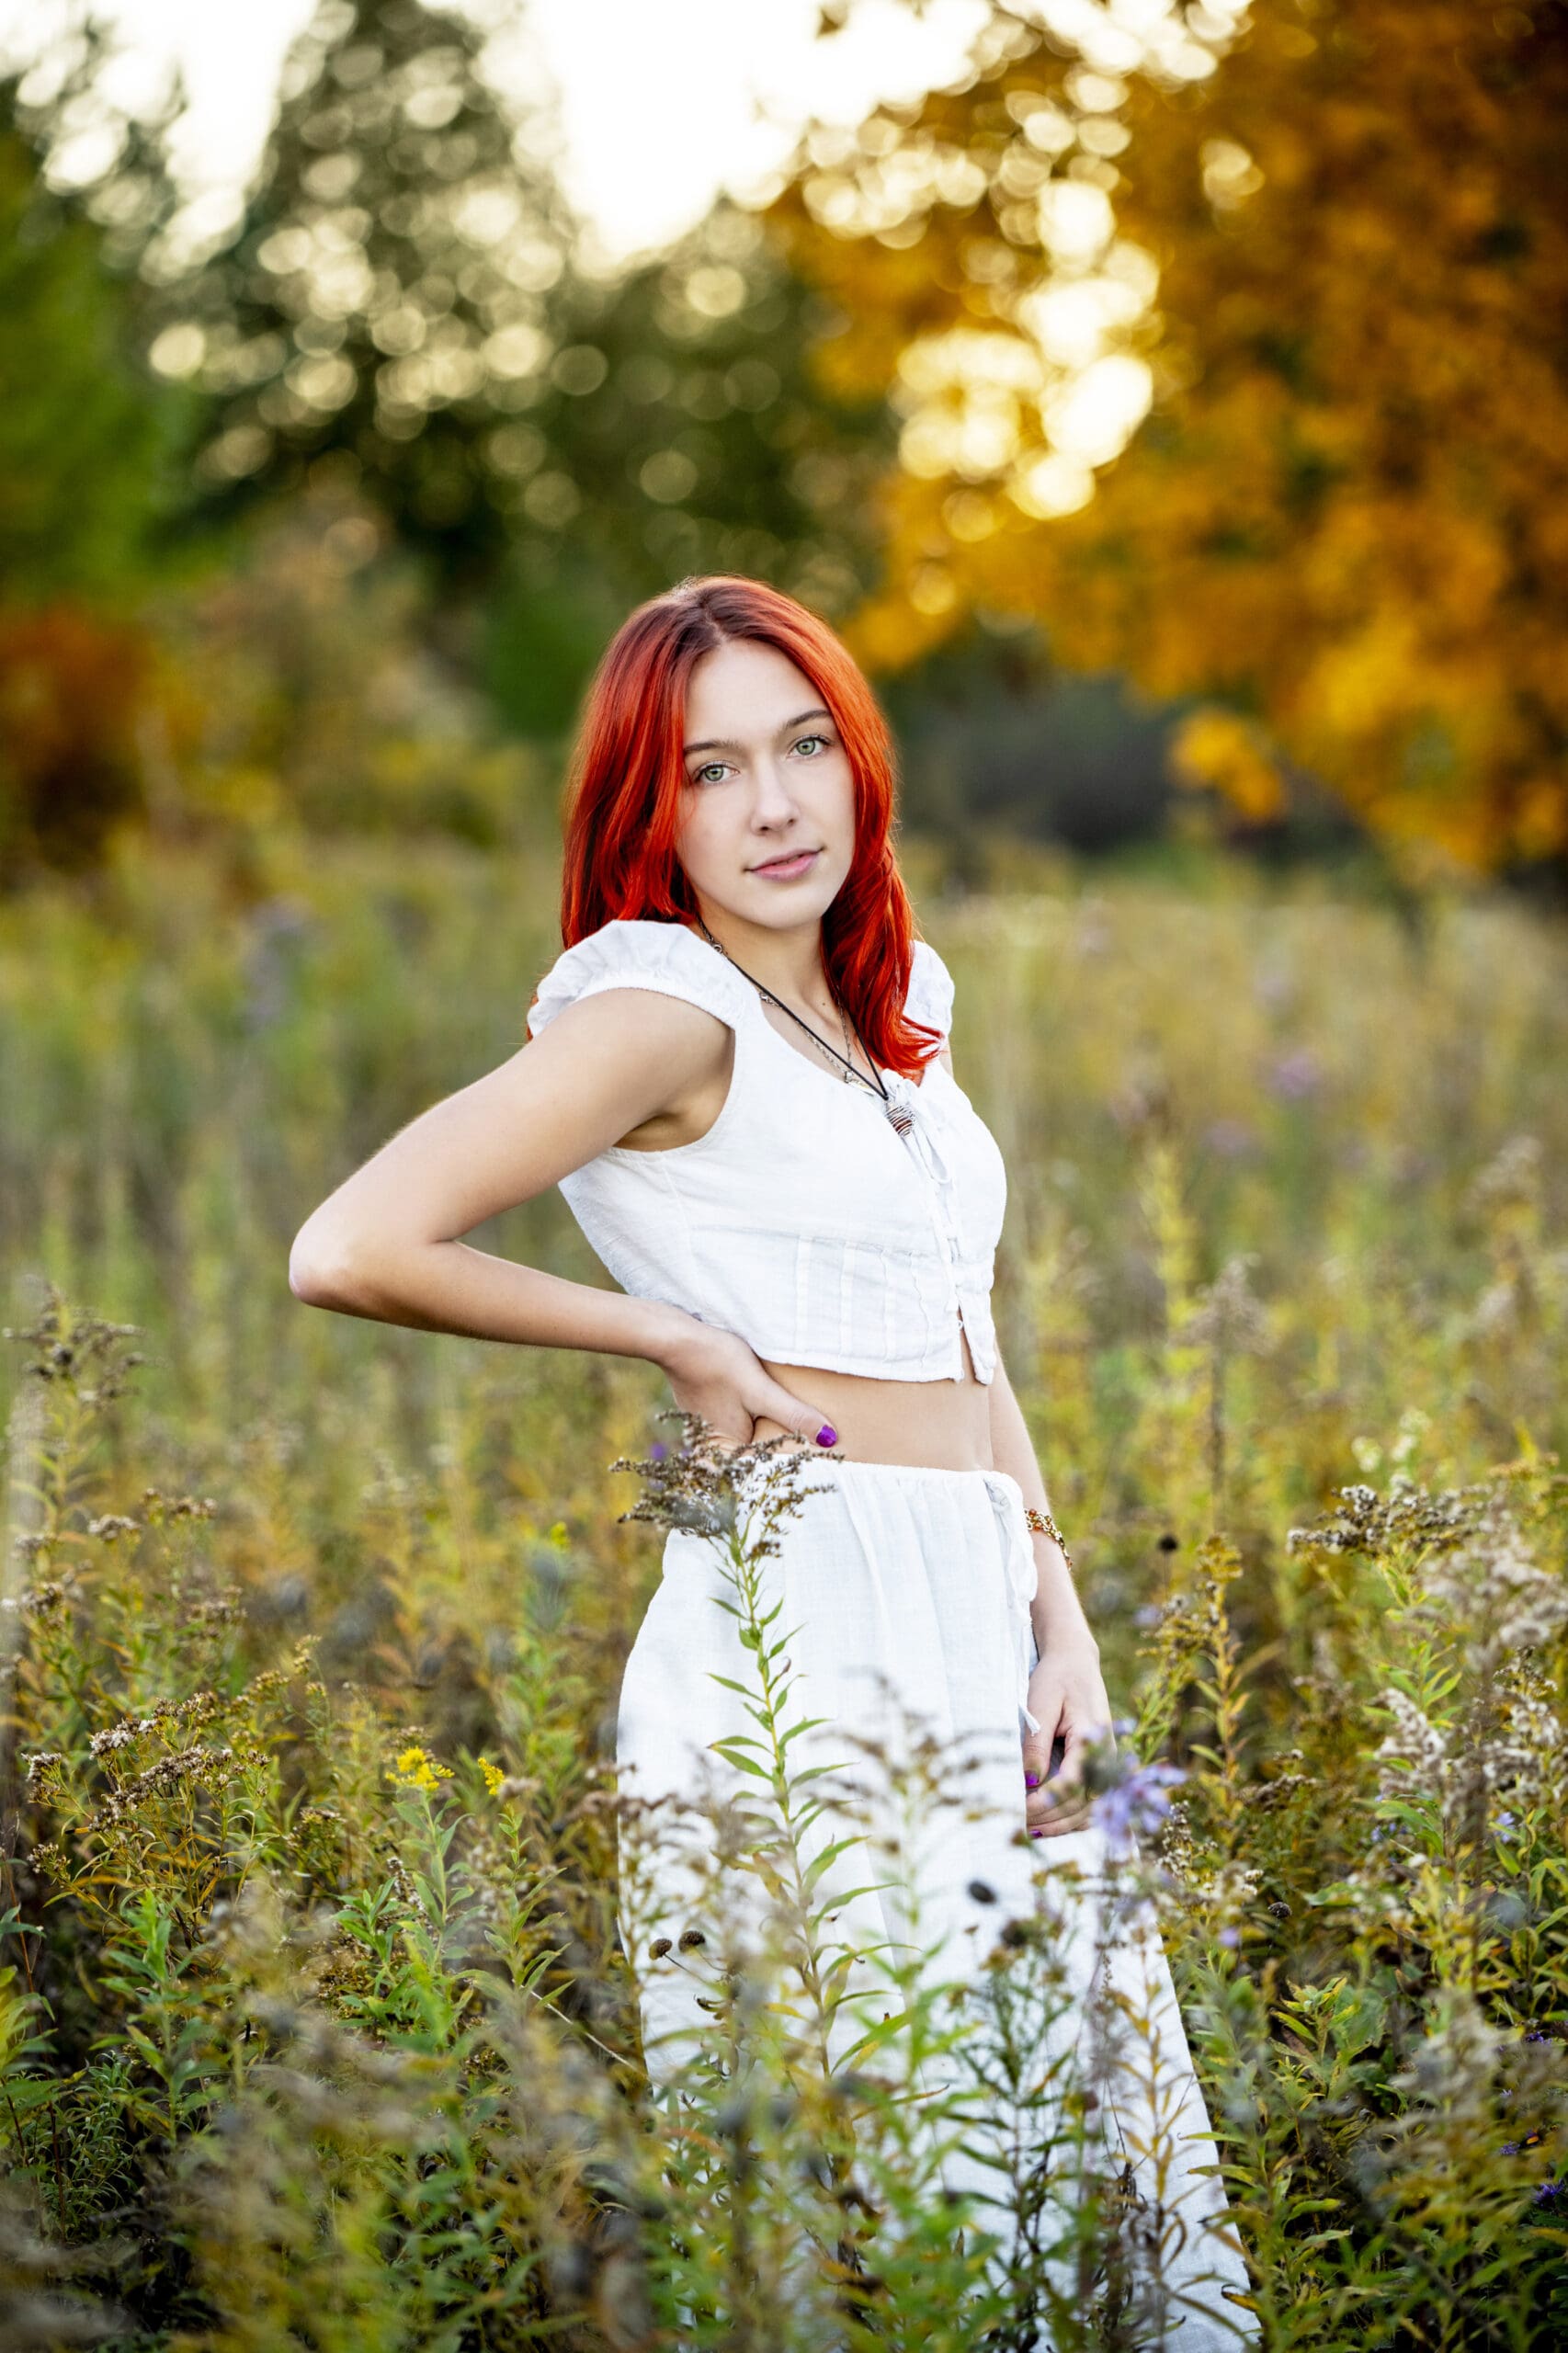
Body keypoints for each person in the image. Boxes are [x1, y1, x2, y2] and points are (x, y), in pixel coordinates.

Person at [288, 574, 1257, 2345]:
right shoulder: (657, 1011)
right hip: (805, 1619)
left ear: (858, 760)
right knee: (902, 2160)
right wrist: (664, 1334)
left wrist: (1060, 1620)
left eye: (804, 746)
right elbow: (350, 1245)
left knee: (1067, 2128)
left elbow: (966, 1337)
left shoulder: (892, 1005)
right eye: (710, 770)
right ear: (648, 810)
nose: (774, 806)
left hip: (974, 1597)